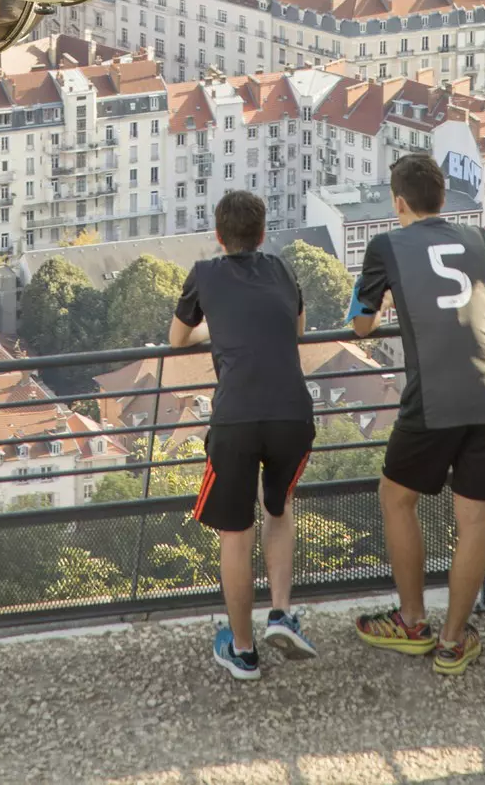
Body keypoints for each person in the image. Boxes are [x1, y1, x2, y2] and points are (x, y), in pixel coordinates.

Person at [350, 152, 485, 677]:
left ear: (399, 203)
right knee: (475, 519)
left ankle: (413, 620)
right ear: (442, 198)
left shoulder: (385, 246)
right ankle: (452, 640)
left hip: (434, 392)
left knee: (396, 498)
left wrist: (384, 304)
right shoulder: (479, 239)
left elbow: (360, 325)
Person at [172, 189, 317, 681]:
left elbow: (177, 338)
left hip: (236, 416)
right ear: (262, 234)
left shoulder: (204, 273)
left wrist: (216, 329)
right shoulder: (282, 270)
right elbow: (297, 329)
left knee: (235, 534)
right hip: (292, 413)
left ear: (219, 235)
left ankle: (243, 651)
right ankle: (281, 613)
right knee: (278, 507)